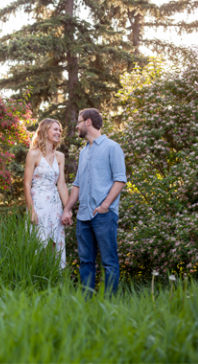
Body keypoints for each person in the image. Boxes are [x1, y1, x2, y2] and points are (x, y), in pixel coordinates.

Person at [61, 108, 127, 296]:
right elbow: (78, 185)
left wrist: (105, 205)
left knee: (109, 262)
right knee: (86, 262)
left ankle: (109, 304)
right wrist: (67, 209)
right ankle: (86, 304)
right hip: (84, 216)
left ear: (88, 122)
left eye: (79, 121)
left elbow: (120, 180)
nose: (77, 125)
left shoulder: (112, 147)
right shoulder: (83, 152)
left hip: (103, 215)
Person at [23, 118, 69, 269]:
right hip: (38, 203)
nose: (58, 132)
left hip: (55, 205)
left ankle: (56, 283)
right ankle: (37, 282)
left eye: (59, 130)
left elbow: (61, 184)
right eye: (55, 129)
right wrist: (31, 211)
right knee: (39, 243)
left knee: (55, 245)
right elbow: (27, 183)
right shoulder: (34, 154)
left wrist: (67, 210)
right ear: (45, 131)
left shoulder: (60, 156)